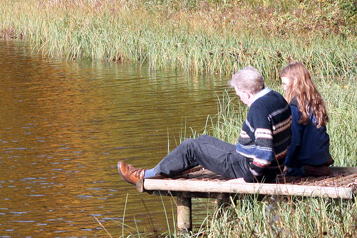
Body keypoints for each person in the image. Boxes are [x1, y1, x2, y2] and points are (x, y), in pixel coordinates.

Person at [117, 66, 291, 184]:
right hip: (262, 165)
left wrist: (248, 178)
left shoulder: (258, 109)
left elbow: (265, 152)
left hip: (252, 171)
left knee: (191, 147)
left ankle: (144, 176)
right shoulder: (275, 97)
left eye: (239, 95)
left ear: (246, 93)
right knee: (203, 140)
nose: (240, 99)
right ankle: (167, 171)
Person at [279, 60, 333, 177]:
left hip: (307, 159)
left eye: (284, 84)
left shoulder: (295, 107)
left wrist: (285, 165)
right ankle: (316, 167)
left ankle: (304, 170)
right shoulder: (315, 102)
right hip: (321, 156)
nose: (283, 88)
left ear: (295, 81)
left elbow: (294, 141)